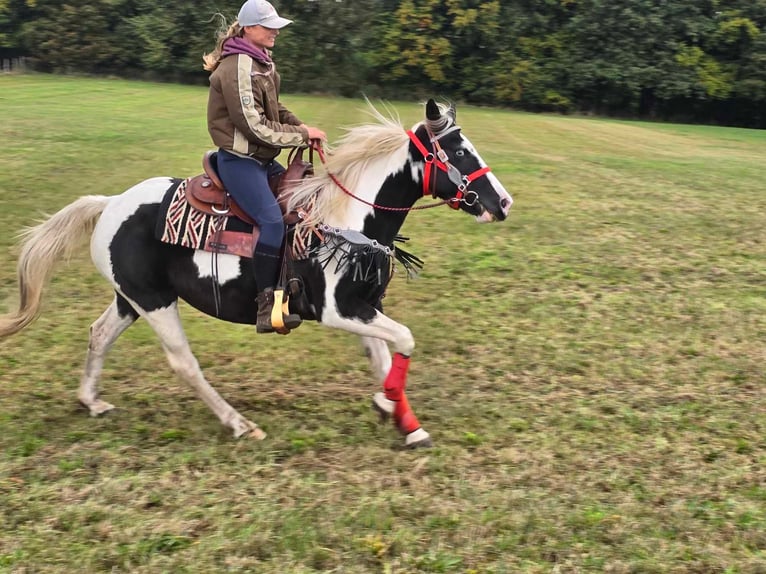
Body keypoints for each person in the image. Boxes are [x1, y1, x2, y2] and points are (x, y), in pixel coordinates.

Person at [203, 0, 327, 334]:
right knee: (272, 221)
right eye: (269, 26)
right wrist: (301, 135)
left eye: (275, 26)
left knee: (304, 204)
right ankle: (265, 305)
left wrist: (303, 129)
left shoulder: (262, 62)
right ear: (249, 28)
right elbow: (253, 125)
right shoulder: (238, 66)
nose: (275, 32)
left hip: (261, 160)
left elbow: (276, 110)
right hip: (239, 162)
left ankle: (296, 284)